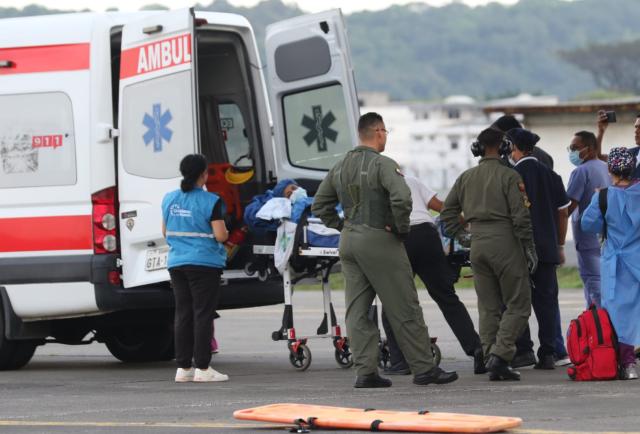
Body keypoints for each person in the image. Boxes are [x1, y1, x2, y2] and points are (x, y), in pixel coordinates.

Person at [312, 112, 458, 388]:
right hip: (379, 239)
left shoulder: (340, 166)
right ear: (378, 131)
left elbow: (320, 205)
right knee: (404, 305)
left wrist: (343, 225)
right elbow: (402, 197)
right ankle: (424, 368)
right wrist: (401, 228)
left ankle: (365, 371)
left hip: (350, 241)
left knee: (358, 310)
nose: (385, 136)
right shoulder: (383, 164)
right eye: (385, 131)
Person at [441, 128, 535, 381]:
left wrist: (463, 238)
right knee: (518, 303)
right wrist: (529, 249)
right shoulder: (509, 176)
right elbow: (521, 217)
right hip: (505, 242)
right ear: (504, 147)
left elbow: (447, 214)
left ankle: (488, 355)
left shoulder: (465, 177)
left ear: (478, 148)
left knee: (488, 306)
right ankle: (501, 356)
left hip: (478, 244)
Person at [380, 175, 484, 375]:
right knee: (447, 297)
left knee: (393, 301)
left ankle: (399, 361)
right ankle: (475, 347)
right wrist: (464, 223)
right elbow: (443, 208)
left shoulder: (381, 183)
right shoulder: (412, 180)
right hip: (428, 236)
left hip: (402, 239)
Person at [506, 128, 570, 370]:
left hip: (518, 249)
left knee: (517, 301)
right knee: (547, 302)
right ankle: (548, 353)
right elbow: (562, 213)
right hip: (547, 248)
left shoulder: (511, 175)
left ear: (514, 148)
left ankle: (524, 350)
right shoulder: (551, 176)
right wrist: (560, 244)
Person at [162, 154, 229, 383]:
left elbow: (165, 232)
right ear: (204, 174)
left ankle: (183, 368)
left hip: (177, 263)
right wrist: (228, 235)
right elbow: (220, 235)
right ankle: (202, 367)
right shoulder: (211, 201)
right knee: (203, 314)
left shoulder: (169, 199)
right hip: (204, 264)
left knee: (183, 313)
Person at [581, 147, 640, 380]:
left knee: (617, 313)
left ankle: (627, 364)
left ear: (610, 169)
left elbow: (588, 224)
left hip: (615, 263)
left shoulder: (603, 196)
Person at [567, 131, 611, 308]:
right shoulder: (605, 167)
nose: (572, 152)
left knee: (594, 288)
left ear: (591, 149)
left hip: (586, 239)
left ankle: (600, 329)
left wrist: (555, 230)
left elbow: (569, 206)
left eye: (575, 148)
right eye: (570, 148)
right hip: (605, 236)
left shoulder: (580, 171)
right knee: (602, 286)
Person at [595, 110, 640, 179]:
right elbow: (598, 158)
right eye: (636, 127)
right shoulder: (627, 154)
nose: (636, 131)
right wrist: (601, 131)